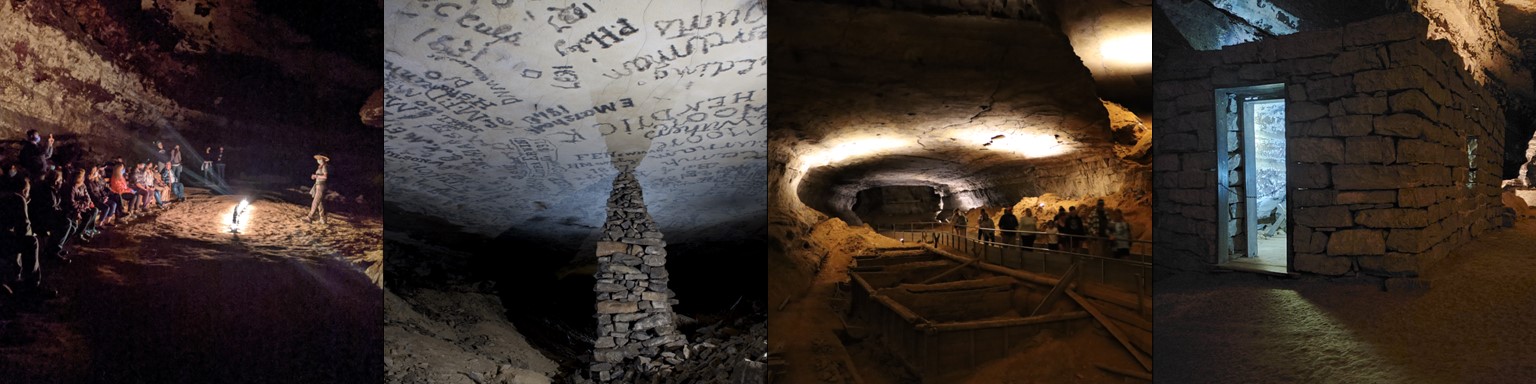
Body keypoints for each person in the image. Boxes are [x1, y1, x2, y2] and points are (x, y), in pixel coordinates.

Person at [308, 154, 329, 224]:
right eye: (318, 159)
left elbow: (325, 177)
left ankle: (310, 217)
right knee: (320, 203)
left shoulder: (324, 167)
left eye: (320, 159)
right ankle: (323, 219)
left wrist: (316, 176)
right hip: (318, 185)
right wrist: (315, 177)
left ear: (323, 160)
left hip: (321, 185)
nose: (318, 160)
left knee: (315, 201)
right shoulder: (320, 167)